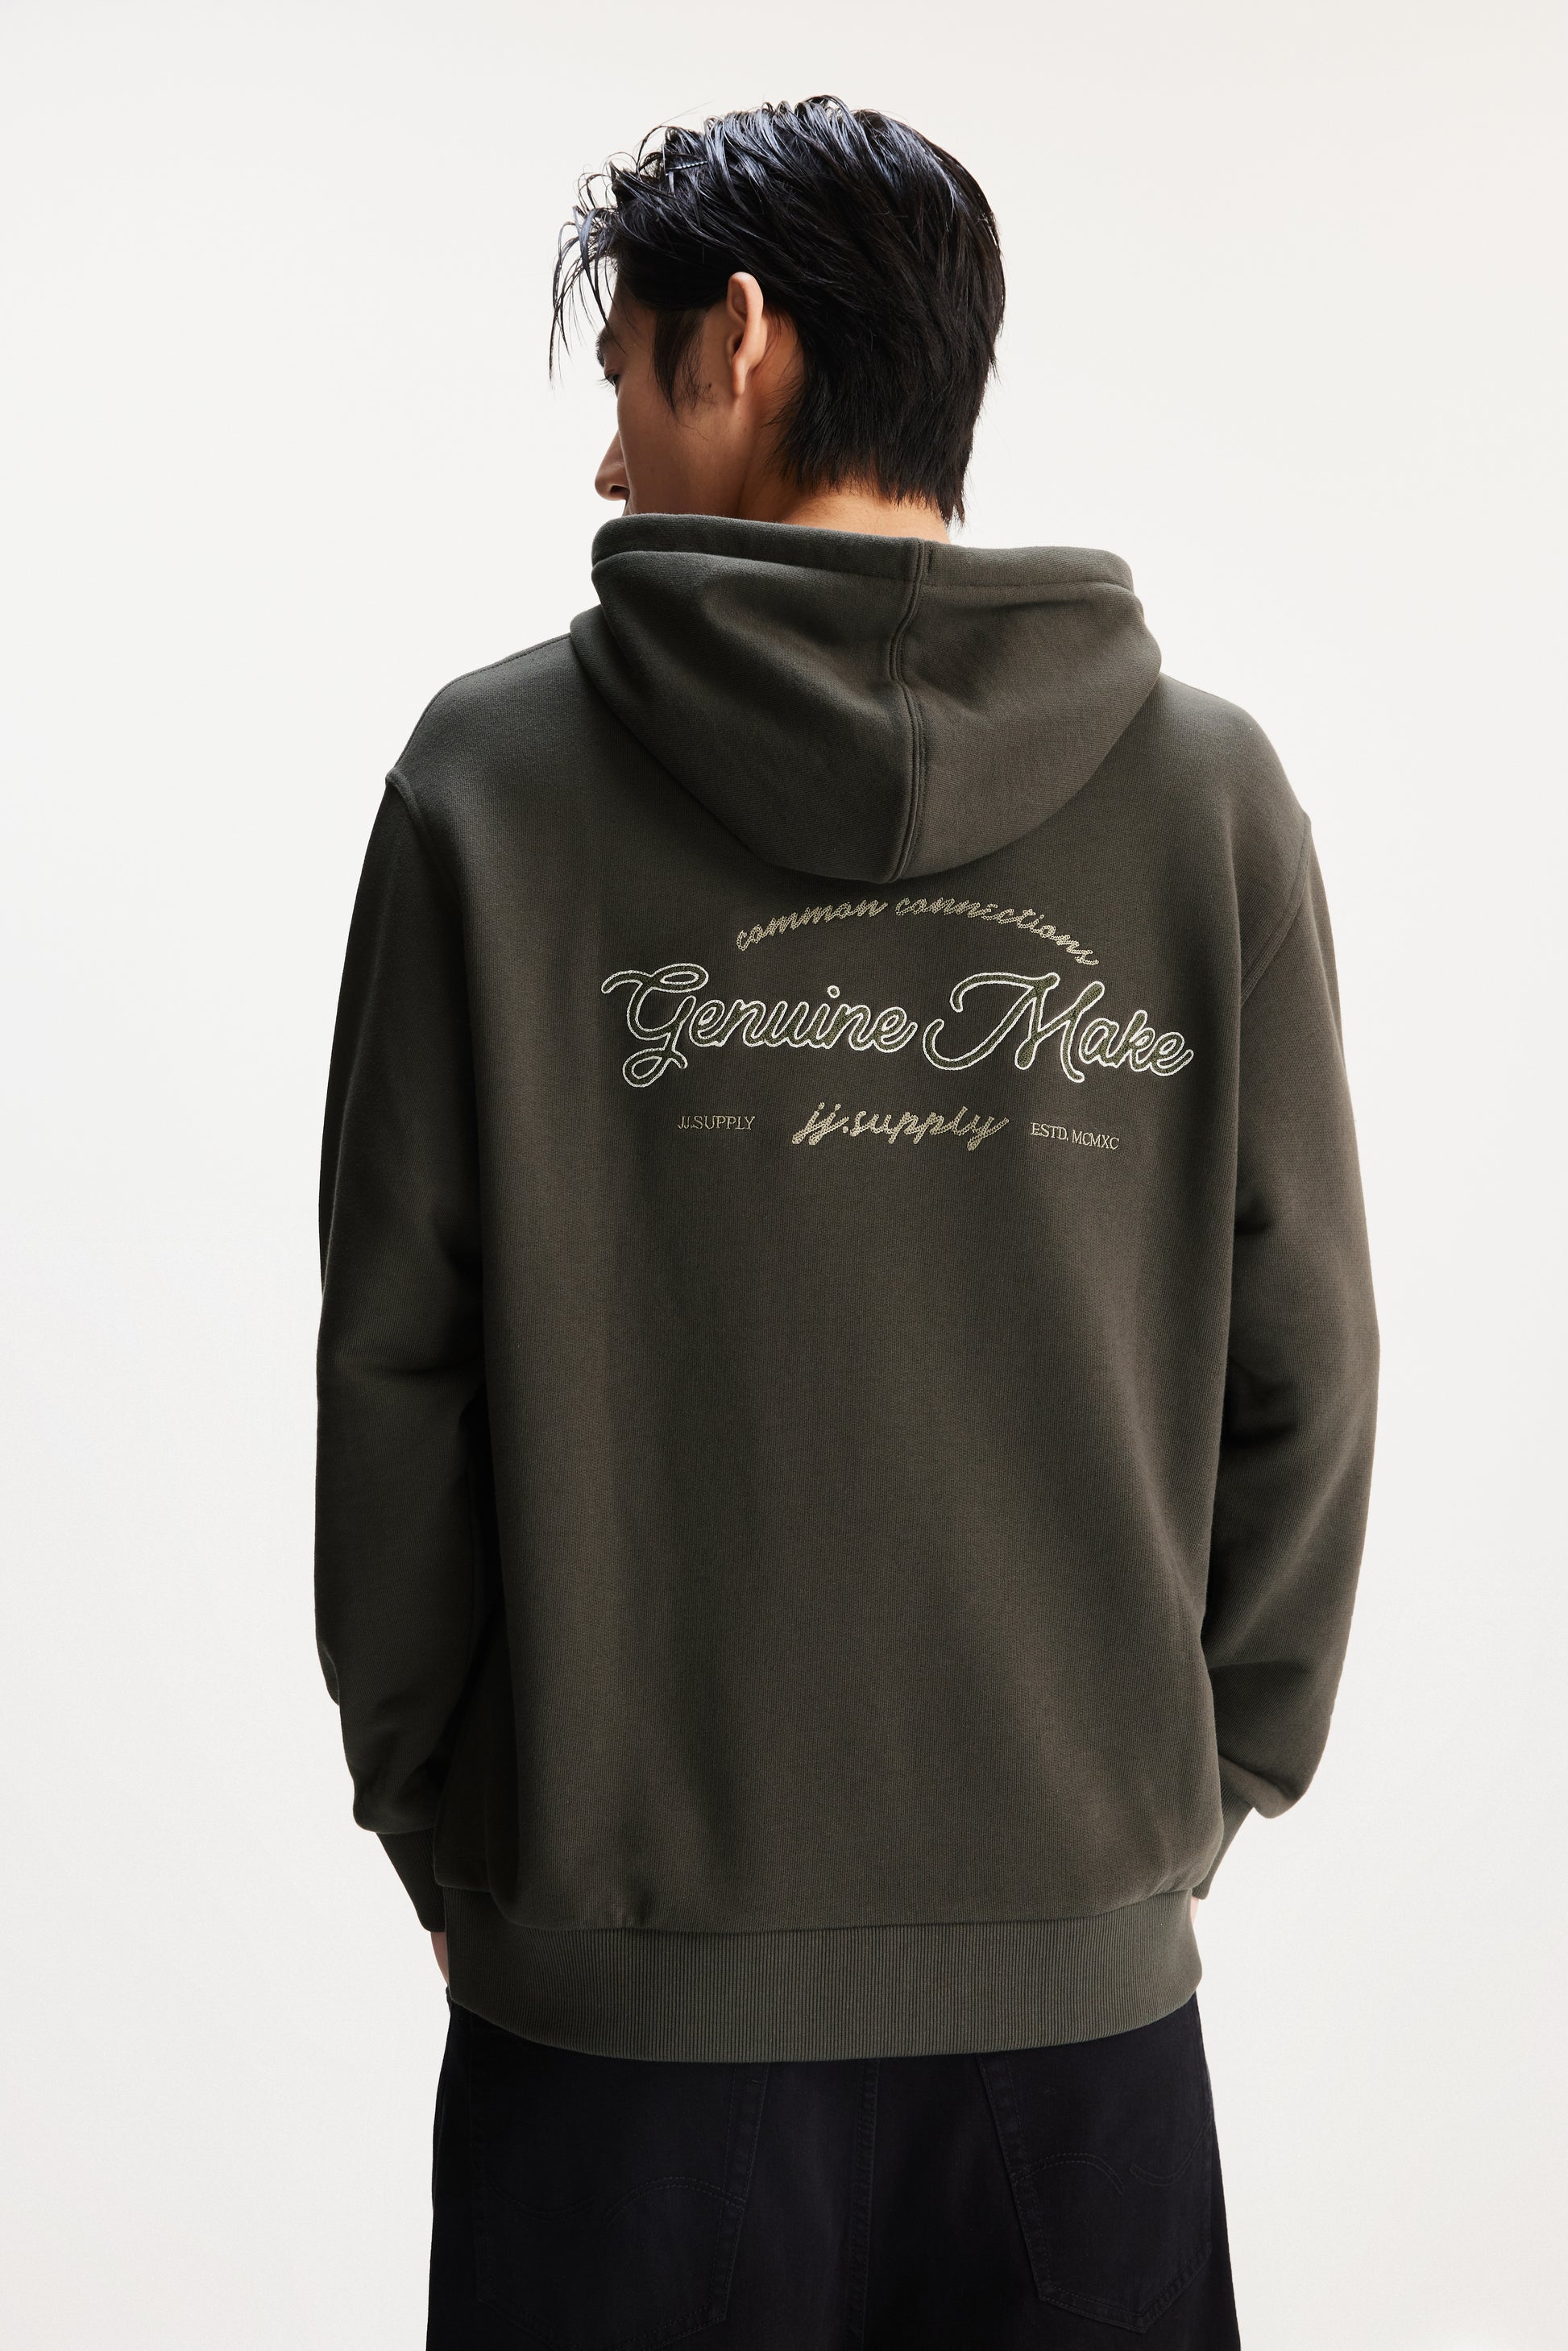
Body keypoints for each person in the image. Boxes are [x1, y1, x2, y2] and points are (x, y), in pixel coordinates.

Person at [315, 96, 1378, 2349]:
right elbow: (1310, 1357)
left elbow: (397, 1359)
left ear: (741, 341)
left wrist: (449, 1814)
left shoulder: (487, 791)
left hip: (614, 2022)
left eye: (626, 378)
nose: (608, 461)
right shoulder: (1207, 801)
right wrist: (1192, 1792)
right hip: (1077, 2016)